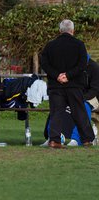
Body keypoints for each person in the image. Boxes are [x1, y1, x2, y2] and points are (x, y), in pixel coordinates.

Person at [41, 19, 94, 148]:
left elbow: (44, 64)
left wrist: (57, 75)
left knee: (56, 113)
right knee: (79, 112)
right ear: (73, 30)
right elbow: (82, 64)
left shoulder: (50, 45)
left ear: (60, 31)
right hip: (74, 85)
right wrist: (68, 75)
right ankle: (87, 139)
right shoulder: (79, 45)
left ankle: (54, 140)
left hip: (56, 85)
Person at [41, 55, 99, 146]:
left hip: (91, 97)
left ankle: (76, 139)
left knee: (83, 107)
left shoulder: (94, 67)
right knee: (57, 106)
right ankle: (52, 138)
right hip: (74, 94)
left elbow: (95, 89)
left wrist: (81, 98)